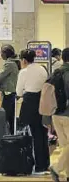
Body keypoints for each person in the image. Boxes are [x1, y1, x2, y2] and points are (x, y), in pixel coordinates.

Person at [16, 49, 50, 175]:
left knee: (33, 135)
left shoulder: (23, 72)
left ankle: (37, 166)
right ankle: (45, 164)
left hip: (30, 102)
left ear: (24, 60)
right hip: (43, 101)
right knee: (43, 133)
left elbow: (19, 92)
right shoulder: (42, 69)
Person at [49, 48, 69, 182]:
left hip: (55, 113)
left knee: (65, 145)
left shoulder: (55, 72)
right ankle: (57, 167)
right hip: (67, 113)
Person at [0, 45, 19, 134]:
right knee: (11, 117)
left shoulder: (9, 64)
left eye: (2, 53)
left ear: (6, 53)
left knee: (6, 117)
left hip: (9, 93)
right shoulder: (15, 61)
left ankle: (9, 136)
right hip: (12, 93)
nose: (1, 55)